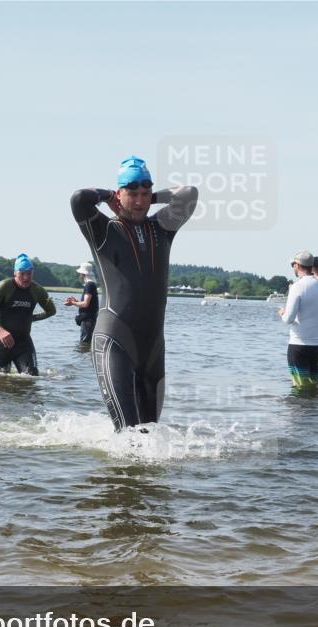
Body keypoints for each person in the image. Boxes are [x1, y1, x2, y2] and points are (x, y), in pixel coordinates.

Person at [71, 155, 198, 430]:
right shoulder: (103, 229)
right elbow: (79, 199)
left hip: (153, 348)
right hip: (114, 343)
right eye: (132, 194)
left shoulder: (162, 228)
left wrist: (152, 198)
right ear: (120, 194)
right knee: (127, 433)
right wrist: (108, 197)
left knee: (150, 435)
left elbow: (189, 193)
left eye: (145, 194)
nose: (140, 201)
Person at [0, 253, 56, 375]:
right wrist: (0, 330)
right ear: (15, 273)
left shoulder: (38, 290)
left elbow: (51, 311)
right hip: (2, 343)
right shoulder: (3, 287)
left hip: (23, 343)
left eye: (29, 274)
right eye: (22, 274)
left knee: (32, 377)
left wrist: (31, 318)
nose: (26, 278)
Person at [279, 251, 318, 386]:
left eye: (293, 265)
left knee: (300, 388)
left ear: (297, 265)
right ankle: (314, 408)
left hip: (299, 346)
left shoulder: (297, 286)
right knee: (313, 387)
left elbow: (288, 319)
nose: (293, 268)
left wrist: (282, 313)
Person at [63, 261, 99, 344]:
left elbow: (85, 304)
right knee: (86, 343)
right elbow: (88, 304)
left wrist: (72, 303)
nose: (79, 275)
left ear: (83, 274)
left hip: (87, 321)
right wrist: (76, 301)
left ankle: (84, 356)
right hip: (90, 319)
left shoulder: (89, 285)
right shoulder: (91, 284)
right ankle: (86, 356)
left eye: (80, 273)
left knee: (84, 343)